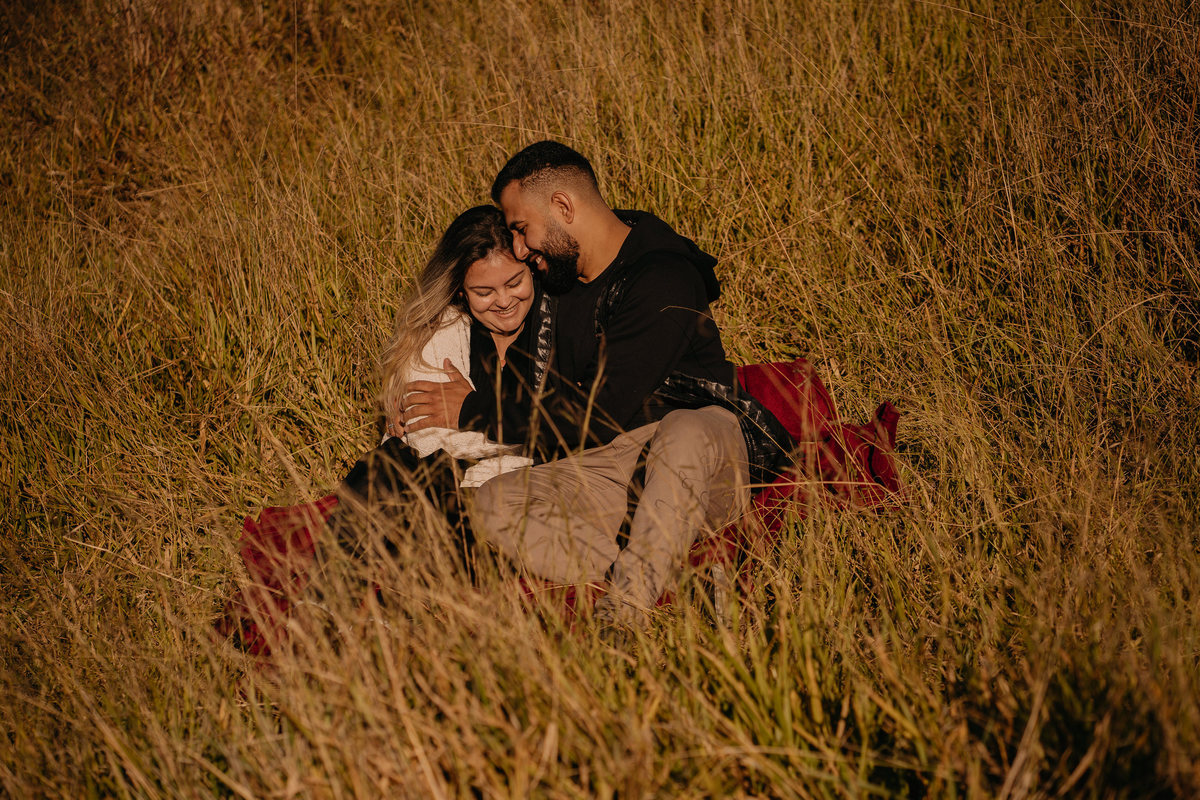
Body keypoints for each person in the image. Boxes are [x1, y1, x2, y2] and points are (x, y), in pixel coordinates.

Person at [401, 141, 795, 629]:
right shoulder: (559, 277)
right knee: (493, 505)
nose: (520, 250)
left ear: (564, 206)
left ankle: (625, 613)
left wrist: (472, 409)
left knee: (681, 432)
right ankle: (674, 589)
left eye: (522, 230)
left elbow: (595, 412)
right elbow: (493, 296)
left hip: (703, 452)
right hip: (611, 464)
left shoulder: (662, 277)